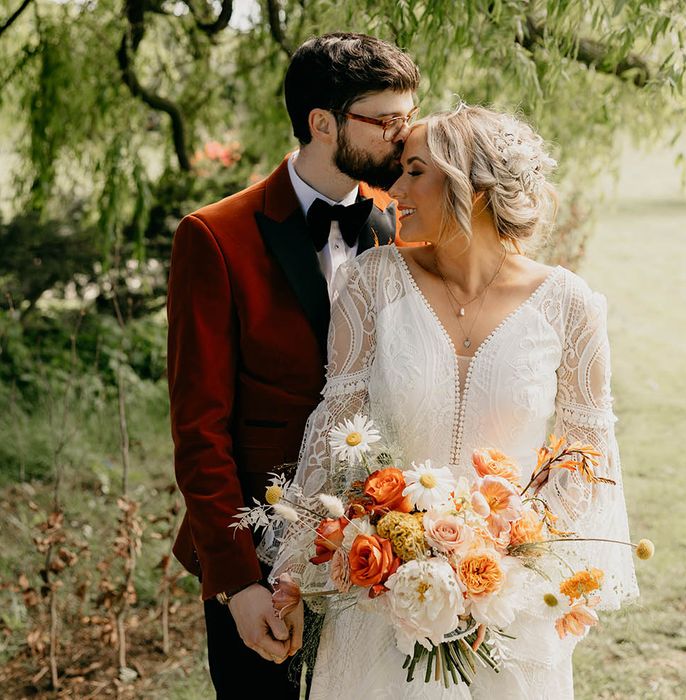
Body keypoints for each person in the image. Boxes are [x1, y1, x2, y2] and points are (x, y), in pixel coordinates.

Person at [273, 104, 639, 698]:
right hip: (378, 602)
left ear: (470, 187)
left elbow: (586, 463)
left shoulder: (570, 306)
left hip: (511, 606)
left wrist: (513, 557)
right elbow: (334, 441)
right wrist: (291, 579)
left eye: (414, 171)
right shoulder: (372, 282)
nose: (392, 189)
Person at [166, 33, 419, 697]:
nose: (405, 138)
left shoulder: (400, 222)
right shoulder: (214, 238)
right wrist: (238, 581)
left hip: (379, 542)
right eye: (388, 121)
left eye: (409, 120)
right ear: (322, 123)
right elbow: (199, 430)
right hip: (261, 543)